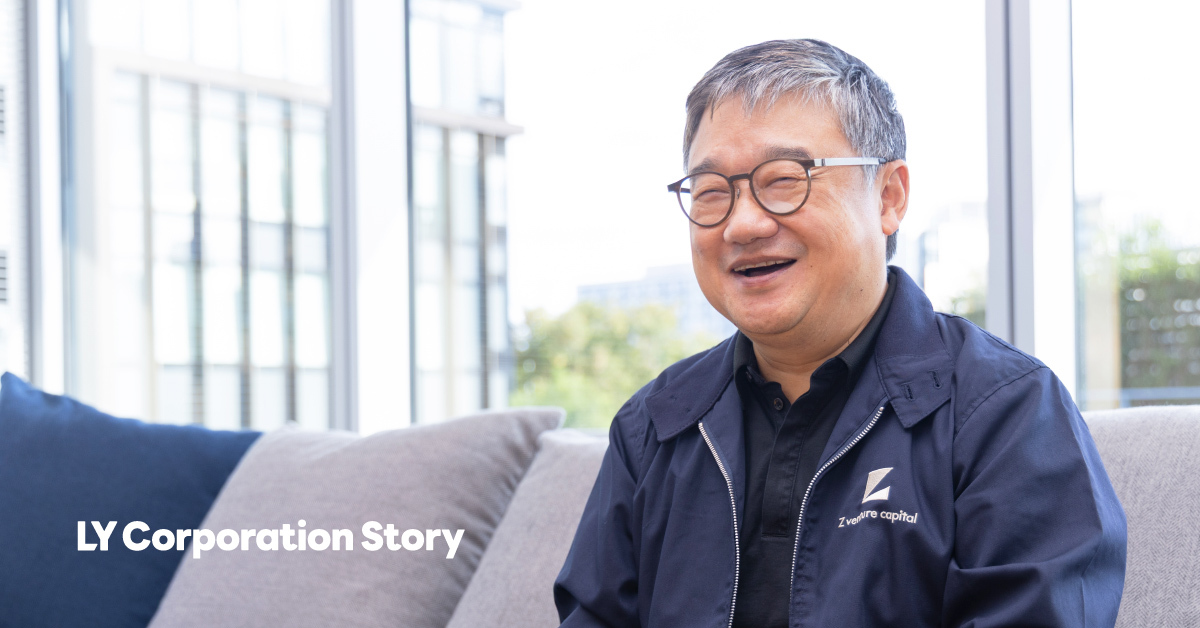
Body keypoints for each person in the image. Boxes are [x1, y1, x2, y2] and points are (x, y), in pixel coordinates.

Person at [553, 39, 1126, 627]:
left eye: (784, 180)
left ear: (889, 196)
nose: (743, 224)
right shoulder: (654, 425)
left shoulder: (1006, 412)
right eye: (711, 192)